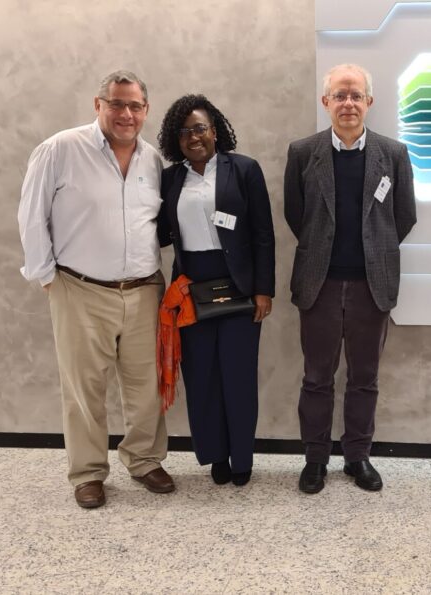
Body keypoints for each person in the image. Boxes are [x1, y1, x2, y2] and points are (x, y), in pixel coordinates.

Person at [18, 70, 174, 508]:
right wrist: (46, 276)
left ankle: (144, 459)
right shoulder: (60, 150)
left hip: (144, 290)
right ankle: (87, 472)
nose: (126, 114)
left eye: (135, 106)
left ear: (146, 110)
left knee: (146, 385)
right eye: (117, 104)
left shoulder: (151, 159)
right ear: (98, 105)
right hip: (80, 289)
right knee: (84, 388)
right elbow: (31, 217)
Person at [284, 63, 417, 494]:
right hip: (319, 286)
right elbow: (296, 215)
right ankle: (316, 459)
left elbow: (404, 216)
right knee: (317, 377)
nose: (348, 103)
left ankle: (357, 456)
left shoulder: (393, 154)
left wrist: (374, 251)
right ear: (326, 102)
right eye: (339, 95)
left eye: (355, 95)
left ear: (369, 102)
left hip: (370, 286)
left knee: (364, 377)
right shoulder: (303, 152)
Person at [156, 95, 275, 487]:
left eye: (201, 128)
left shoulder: (243, 170)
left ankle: (241, 457)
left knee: (238, 375)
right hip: (192, 287)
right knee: (202, 376)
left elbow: (262, 235)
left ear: (215, 130)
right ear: (177, 138)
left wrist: (263, 290)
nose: (194, 136)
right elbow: (158, 231)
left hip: (239, 284)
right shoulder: (172, 178)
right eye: (186, 130)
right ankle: (216, 455)